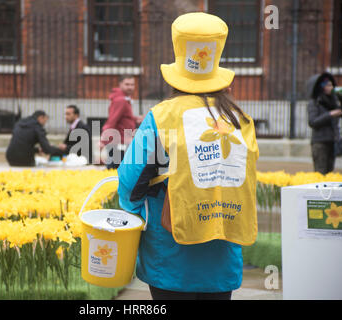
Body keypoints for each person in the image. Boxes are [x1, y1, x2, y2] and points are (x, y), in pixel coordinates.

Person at [117, 12, 259, 300]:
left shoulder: (162, 115)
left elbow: (131, 183)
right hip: (222, 255)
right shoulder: (240, 119)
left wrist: (134, 217)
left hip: (171, 257)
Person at [100, 75, 143, 169]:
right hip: (119, 143)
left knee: (117, 170)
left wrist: (135, 118)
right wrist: (103, 141)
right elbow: (112, 120)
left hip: (122, 141)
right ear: (120, 84)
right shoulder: (121, 100)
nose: (130, 87)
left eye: (132, 84)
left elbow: (123, 117)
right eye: (127, 84)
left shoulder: (124, 98)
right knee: (117, 170)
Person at [307, 72, 342, 174]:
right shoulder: (315, 102)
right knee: (321, 173)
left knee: (329, 173)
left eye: (332, 84)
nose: (331, 87)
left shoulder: (333, 101)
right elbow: (312, 122)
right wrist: (330, 114)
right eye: (328, 85)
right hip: (320, 142)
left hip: (332, 141)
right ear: (322, 87)